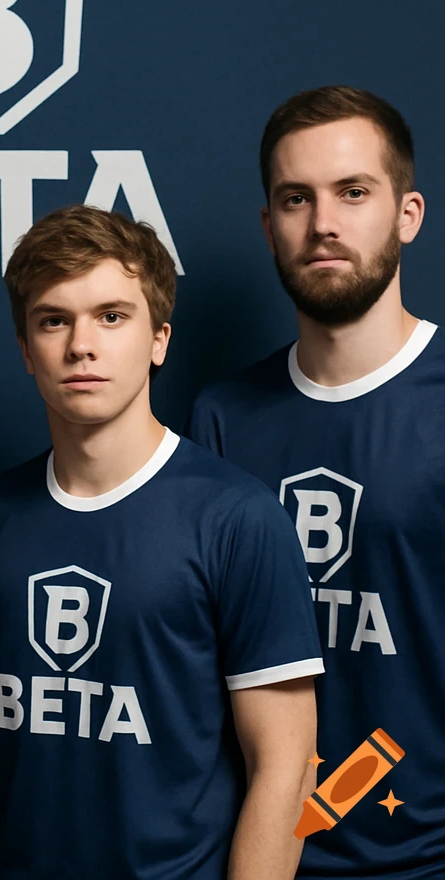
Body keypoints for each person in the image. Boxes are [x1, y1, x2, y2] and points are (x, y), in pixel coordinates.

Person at [0, 205, 323, 879]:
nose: (80, 345)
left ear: (159, 338)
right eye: (53, 320)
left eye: (111, 316)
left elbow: (288, 766)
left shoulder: (238, 518)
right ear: (25, 349)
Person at [187, 85, 442, 879]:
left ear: (408, 214)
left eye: (353, 193)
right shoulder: (223, 416)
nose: (323, 224)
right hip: (259, 855)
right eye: (296, 199)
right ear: (269, 227)